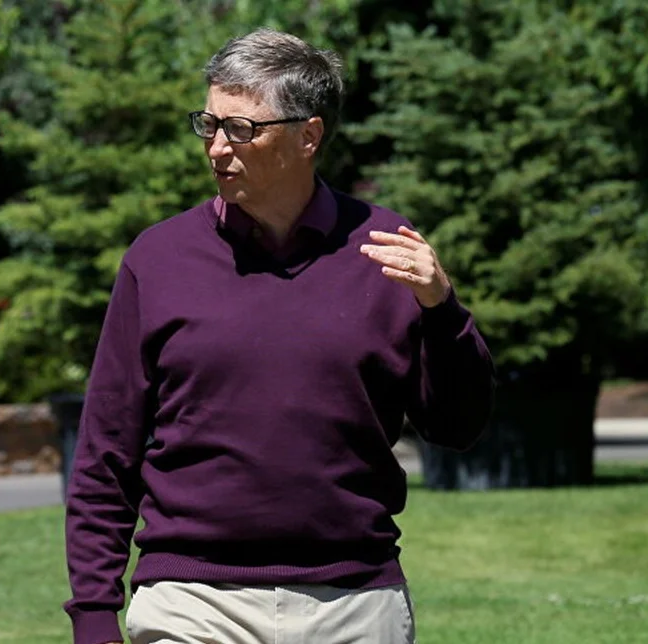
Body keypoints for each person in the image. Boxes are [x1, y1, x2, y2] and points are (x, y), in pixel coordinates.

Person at [64, 29, 494, 644]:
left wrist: (442, 310)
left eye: (240, 129)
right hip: (192, 601)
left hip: (355, 603)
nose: (217, 147)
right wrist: (93, 613)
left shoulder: (385, 250)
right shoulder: (157, 259)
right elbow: (107, 448)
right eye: (208, 124)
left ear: (308, 136)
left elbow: (457, 426)